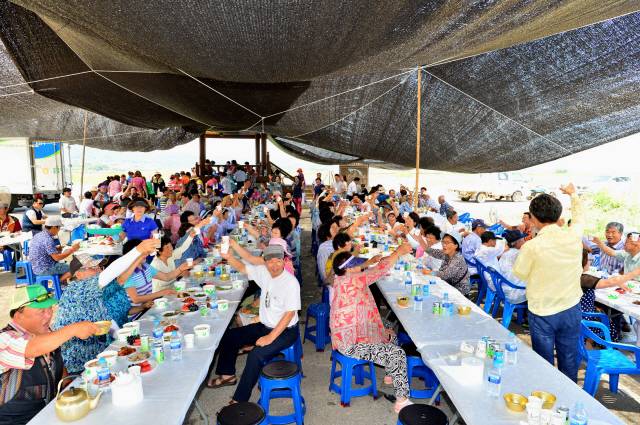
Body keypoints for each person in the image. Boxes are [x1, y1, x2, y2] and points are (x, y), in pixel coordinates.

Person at [209, 245, 301, 413]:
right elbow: (242, 267)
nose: (274, 265)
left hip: (284, 331)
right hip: (264, 326)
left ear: (284, 261)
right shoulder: (264, 272)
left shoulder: (291, 283)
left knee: (255, 355)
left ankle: (238, 400)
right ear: (265, 262)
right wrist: (229, 256)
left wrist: (270, 337)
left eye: (278, 261)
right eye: (270, 261)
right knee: (229, 336)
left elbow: (289, 314)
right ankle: (228, 375)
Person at [512, 184, 584, 382]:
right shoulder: (574, 235)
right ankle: (568, 404)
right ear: (558, 214)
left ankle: (546, 404)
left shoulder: (533, 246)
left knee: (543, 365)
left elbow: (519, 273)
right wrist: (573, 195)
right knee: (569, 361)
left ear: (533, 218)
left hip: (543, 312)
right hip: (571, 308)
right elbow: (579, 219)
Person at [331, 243, 414, 413]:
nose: (359, 268)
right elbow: (376, 272)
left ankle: (390, 375)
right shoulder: (353, 279)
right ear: (348, 269)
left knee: (389, 330)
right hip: (350, 344)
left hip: (352, 332)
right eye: (355, 266)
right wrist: (397, 252)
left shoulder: (342, 277)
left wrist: (370, 263)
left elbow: (365, 269)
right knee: (398, 354)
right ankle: (402, 401)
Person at [0, 285, 100, 424]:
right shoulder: (4, 340)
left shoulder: (46, 334)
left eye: (50, 309)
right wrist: (73, 329)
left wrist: (68, 384)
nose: (49, 315)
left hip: (51, 412)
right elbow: (33, 349)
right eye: (41, 311)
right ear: (19, 316)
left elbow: (56, 362)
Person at [52, 249, 156, 374]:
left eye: (100, 267)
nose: (100, 270)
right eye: (94, 268)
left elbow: (121, 279)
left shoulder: (98, 292)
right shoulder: (74, 290)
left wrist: (137, 259)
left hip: (101, 354)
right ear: (78, 274)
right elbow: (110, 276)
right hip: (81, 362)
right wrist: (137, 251)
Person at [579, 249, 640, 348]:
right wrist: (636, 271)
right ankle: (607, 349)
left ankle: (587, 349)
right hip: (586, 318)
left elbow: (605, 281)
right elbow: (609, 282)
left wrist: (618, 283)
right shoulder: (583, 278)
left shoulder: (574, 276)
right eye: (589, 261)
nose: (591, 263)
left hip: (580, 315)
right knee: (609, 325)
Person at [118, 239, 188, 306]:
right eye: (143, 252)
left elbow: (166, 277)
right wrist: (161, 293)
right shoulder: (127, 274)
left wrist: (180, 268)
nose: (146, 254)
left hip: (146, 308)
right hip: (134, 315)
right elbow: (136, 299)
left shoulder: (146, 267)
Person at [29, 217, 80, 283]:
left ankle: (61, 283)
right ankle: (58, 282)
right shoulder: (48, 239)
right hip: (45, 269)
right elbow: (57, 258)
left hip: (36, 267)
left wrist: (54, 248)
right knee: (77, 266)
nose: (59, 230)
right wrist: (72, 250)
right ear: (54, 227)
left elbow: (42, 248)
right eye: (59, 228)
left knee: (66, 264)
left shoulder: (39, 235)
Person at [421, 231, 470, 295]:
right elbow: (430, 251)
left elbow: (445, 275)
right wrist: (420, 239)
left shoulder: (458, 259)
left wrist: (426, 271)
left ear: (456, 246)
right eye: (443, 242)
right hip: (447, 286)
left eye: (447, 243)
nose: (444, 245)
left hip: (459, 291)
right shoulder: (446, 254)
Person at [498, 230, 529, 305]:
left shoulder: (505, 254)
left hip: (503, 291)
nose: (525, 242)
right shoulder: (518, 254)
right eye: (523, 240)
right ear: (518, 243)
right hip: (515, 295)